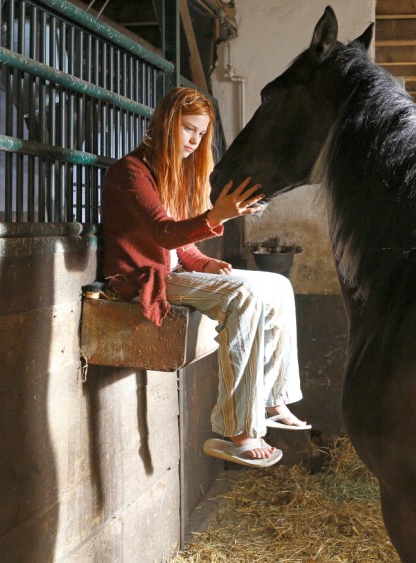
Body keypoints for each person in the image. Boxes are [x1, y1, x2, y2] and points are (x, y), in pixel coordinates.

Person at [100, 87, 309, 468]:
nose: (195, 142)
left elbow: (183, 247)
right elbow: (163, 233)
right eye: (188, 130)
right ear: (166, 123)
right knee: (243, 294)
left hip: (175, 270)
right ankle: (238, 428)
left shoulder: (174, 175)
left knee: (278, 286)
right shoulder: (131, 172)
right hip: (143, 277)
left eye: (200, 134)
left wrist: (205, 263)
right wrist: (217, 217)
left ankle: (273, 398)